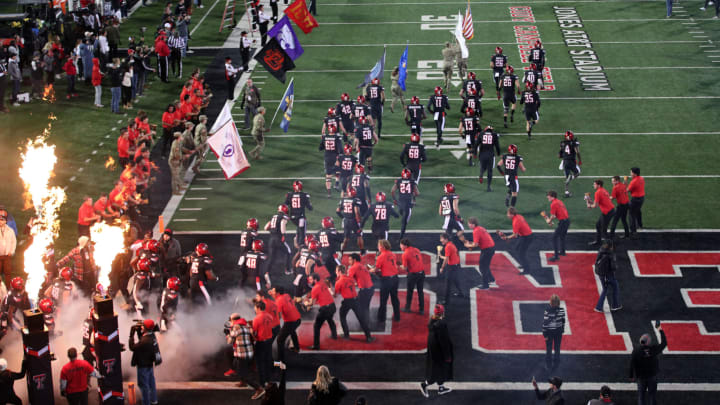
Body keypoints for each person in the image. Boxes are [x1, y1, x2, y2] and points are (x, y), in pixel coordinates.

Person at [226, 315, 264, 398]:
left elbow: (230, 341)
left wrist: (227, 334)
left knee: (242, 373)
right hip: (249, 352)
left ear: (233, 320)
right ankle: (243, 382)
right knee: (235, 365)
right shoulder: (245, 325)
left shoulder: (236, 327)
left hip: (242, 354)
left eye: (230, 320)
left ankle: (259, 389)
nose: (230, 321)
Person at [420, 304, 453, 398]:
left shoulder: (432, 321)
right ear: (442, 312)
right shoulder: (441, 324)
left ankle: (441, 388)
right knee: (438, 370)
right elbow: (444, 341)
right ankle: (425, 384)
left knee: (438, 369)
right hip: (438, 351)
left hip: (433, 348)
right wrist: (447, 356)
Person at [629, 325, 667, 405]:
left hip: (641, 377)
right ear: (649, 342)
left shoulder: (636, 351)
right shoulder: (654, 349)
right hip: (652, 376)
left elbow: (632, 363)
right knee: (652, 396)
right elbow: (664, 343)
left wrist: (631, 375)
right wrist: (660, 330)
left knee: (641, 396)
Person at [334, 265, 374, 342]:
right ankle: (368, 336)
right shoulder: (351, 278)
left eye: (336, 271)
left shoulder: (338, 282)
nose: (335, 273)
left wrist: (330, 291)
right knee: (361, 318)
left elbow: (336, 295)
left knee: (342, 317)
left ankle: (346, 335)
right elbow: (354, 284)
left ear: (339, 272)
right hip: (355, 300)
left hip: (347, 301)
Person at [129, 319, 160, 405]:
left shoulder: (144, 341)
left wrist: (131, 335)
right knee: (151, 383)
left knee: (144, 387)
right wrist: (140, 331)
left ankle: (146, 403)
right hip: (149, 365)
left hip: (143, 367)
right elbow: (142, 337)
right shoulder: (152, 336)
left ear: (146, 328)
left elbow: (132, 347)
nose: (141, 327)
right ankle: (154, 400)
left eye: (143, 326)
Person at [305, 273, 337, 350]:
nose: (309, 281)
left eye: (311, 279)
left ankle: (316, 345)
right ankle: (334, 335)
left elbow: (311, 303)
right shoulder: (323, 283)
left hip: (325, 309)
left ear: (315, 280)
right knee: (329, 319)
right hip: (332, 306)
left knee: (316, 326)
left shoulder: (315, 288)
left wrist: (306, 303)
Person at [372, 239, 400, 322]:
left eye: (379, 245)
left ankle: (381, 318)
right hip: (395, 278)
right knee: (394, 298)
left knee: (383, 300)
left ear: (383, 247)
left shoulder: (381, 256)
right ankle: (397, 316)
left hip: (386, 280)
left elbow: (376, 269)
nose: (378, 247)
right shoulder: (393, 254)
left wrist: (371, 270)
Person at [270, 286, 301, 360]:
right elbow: (280, 300)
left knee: (280, 340)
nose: (271, 292)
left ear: (277, 293)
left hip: (290, 322)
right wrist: (273, 294)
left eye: (273, 291)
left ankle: (280, 360)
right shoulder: (286, 295)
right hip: (297, 319)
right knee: (292, 331)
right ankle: (296, 348)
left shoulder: (279, 301)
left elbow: (279, 316)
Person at [464, 218, 495, 290]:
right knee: (485, 266)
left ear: (473, 224)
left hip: (487, 250)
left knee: (482, 267)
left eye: (470, 223)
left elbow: (475, 245)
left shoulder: (476, 231)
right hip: (490, 249)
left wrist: (468, 245)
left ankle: (485, 285)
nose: (468, 225)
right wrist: (471, 244)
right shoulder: (480, 228)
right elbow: (479, 241)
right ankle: (491, 279)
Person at [500, 207, 534, 272]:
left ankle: (527, 269)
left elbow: (515, 235)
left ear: (512, 214)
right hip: (525, 235)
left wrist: (506, 238)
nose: (507, 215)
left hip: (527, 237)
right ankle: (524, 264)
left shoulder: (515, 222)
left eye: (508, 214)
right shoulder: (519, 216)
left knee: (521, 253)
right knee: (517, 248)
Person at [390, 168, 419, 239]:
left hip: (400, 202)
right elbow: (417, 193)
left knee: (402, 213)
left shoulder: (399, 181)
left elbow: (392, 191)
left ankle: (402, 216)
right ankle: (400, 238)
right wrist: (413, 198)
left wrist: (394, 200)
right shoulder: (412, 181)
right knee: (404, 222)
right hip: (408, 203)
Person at [585, 179, 615, 246]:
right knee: (598, 225)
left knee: (604, 230)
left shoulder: (598, 192)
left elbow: (595, 206)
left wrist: (589, 205)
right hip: (609, 211)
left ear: (598, 185)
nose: (593, 185)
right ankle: (598, 241)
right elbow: (597, 203)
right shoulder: (603, 190)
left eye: (594, 184)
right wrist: (589, 200)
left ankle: (610, 245)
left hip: (607, 212)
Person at [252, 300, 275, 389]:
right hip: (269, 341)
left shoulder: (256, 318)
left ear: (258, 308)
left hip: (261, 342)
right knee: (267, 361)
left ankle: (262, 382)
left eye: (255, 308)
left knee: (260, 363)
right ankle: (268, 380)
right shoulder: (270, 316)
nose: (255, 310)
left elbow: (254, 333)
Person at [594, 240, 622, 312]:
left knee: (605, 289)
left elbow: (596, 262)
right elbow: (613, 267)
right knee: (615, 288)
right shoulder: (611, 254)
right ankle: (615, 306)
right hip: (608, 275)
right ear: (611, 247)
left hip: (601, 274)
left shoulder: (601, 250)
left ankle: (599, 307)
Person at [265, 204, 293, 276]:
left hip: (272, 239)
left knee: (271, 257)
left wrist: (273, 231)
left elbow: (266, 227)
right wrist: (283, 234)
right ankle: (288, 270)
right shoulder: (283, 217)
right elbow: (282, 224)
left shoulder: (274, 216)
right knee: (288, 252)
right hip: (278, 238)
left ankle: (267, 272)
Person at [337, 187, 365, 255]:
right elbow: (356, 212)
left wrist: (343, 217)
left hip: (346, 221)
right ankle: (362, 251)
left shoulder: (343, 200)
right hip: (353, 221)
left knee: (346, 238)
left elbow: (338, 211)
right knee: (359, 235)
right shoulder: (356, 200)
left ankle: (341, 251)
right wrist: (359, 222)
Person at [347, 253, 373, 328]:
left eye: (350, 259)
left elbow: (349, 281)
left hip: (364, 290)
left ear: (354, 260)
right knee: (365, 306)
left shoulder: (353, 268)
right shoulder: (362, 266)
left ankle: (364, 324)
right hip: (370, 289)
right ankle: (366, 321)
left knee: (360, 307)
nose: (348, 261)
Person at [400, 238, 425, 312]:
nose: (400, 247)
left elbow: (404, 268)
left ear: (405, 245)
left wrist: (399, 266)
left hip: (413, 275)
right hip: (421, 273)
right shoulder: (416, 249)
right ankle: (421, 309)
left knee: (410, 292)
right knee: (420, 292)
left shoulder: (405, 254)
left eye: (401, 245)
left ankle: (407, 308)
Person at [542, 294, 565, 371]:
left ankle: (548, 365)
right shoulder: (562, 310)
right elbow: (563, 321)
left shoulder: (547, 311)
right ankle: (556, 362)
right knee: (557, 347)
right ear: (558, 302)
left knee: (549, 348)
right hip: (558, 332)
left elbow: (545, 323)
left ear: (550, 302)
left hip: (549, 333)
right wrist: (562, 329)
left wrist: (544, 334)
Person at [545, 191, 570, 262]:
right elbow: (558, 213)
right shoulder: (559, 201)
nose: (547, 197)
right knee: (562, 237)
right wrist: (550, 220)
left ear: (552, 196)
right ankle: (562, 251)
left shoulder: (553, 204)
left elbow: (553, 216)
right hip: (567, 221)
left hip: (563, 222)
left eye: (548, 196)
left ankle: (556, 256)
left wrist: (549, 221)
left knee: (554, 238)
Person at [438, 232, 462, 304]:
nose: (440, 240)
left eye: (442, 239)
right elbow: (449, 256)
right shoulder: (451, 244)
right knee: (455, 280)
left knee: (448, 284)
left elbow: (446, 259)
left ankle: (446, 301)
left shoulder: (448, 246)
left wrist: (442, 267)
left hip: (452, 267)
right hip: (456, 265)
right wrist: (441, 256)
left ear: (446, 239)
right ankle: (461, 293)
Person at [476, 125, 501, 191]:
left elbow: (476, 144)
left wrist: (475, 153)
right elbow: (497, 146)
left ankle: (481, 174)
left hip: (482, 155)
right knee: (490, 171)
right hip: (490, 155)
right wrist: (498, 153)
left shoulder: (481, 134)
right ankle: (488, 186)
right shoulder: (494, 135)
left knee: (483, 167)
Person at [559, 131, 581, 197]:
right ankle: (571, 177)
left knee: (567, 178)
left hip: (565, 162)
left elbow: (559, 155)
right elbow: (577, 152)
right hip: (571, 161)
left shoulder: (562, 143)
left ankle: (566, 192)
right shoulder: (574, 143)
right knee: (577, 173)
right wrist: (580, 160)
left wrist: (564, 155)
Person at [626, 167, 645, 238]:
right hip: (642, 198)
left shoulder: (633, 182)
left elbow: (626, 190)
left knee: (631, 214)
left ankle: (633, 231)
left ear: (635, 174)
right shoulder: (641, 178)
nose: (630, 174)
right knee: (638, 211)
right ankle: (640, 225)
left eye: (631, 172)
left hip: (635, 200)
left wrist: (625, 182)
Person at [0, 213, 17, 289]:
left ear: (5, 221)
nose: (0, 222)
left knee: (8, 273)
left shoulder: (10, 231)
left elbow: (14, 242)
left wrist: (11, 251)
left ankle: (7, 287)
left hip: (7, 255)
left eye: (2, 220)